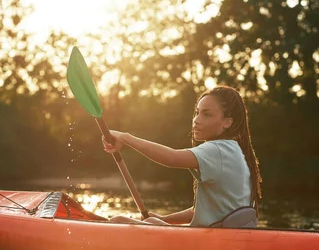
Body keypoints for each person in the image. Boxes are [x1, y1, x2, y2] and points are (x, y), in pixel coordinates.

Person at [102, 86, 262, 227]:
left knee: (118, 221)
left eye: (207, 115)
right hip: (221, 237)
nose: (196, 120)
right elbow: (203, 210)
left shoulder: (218, 150)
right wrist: (165, 218)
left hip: (210, 243)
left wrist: (126, 138)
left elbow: (171, 158)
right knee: (151, 222)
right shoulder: (234, 151)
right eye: (197, 113)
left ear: (227, 122)